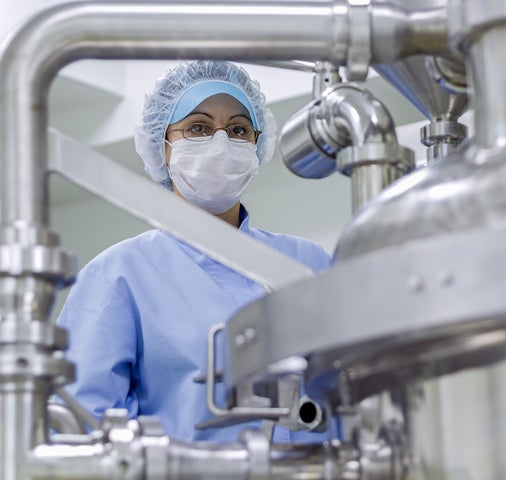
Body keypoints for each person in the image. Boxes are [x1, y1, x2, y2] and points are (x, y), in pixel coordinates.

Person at [56, 60, 334, 443]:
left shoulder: (311, 263)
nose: (221, 143)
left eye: (237, 130)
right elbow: (83, 430)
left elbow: (356, 399)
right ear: (163, 148)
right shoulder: (120, 275)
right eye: (199, 128)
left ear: (257, 146)